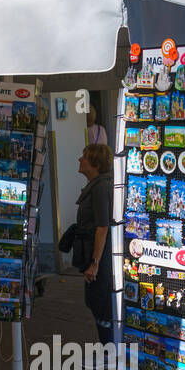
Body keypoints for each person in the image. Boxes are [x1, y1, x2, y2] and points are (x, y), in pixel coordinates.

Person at [75, 142, 114, 346]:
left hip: (101, 257)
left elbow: (102, 227)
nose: (79, 160)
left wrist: (95, 263)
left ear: (95, 164)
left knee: (100, 302)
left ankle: (108, 351)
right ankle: (108, 348)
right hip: (95, 253)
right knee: (94, 300)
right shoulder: (99, 185)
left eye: (84, 156)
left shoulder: (101, 188)